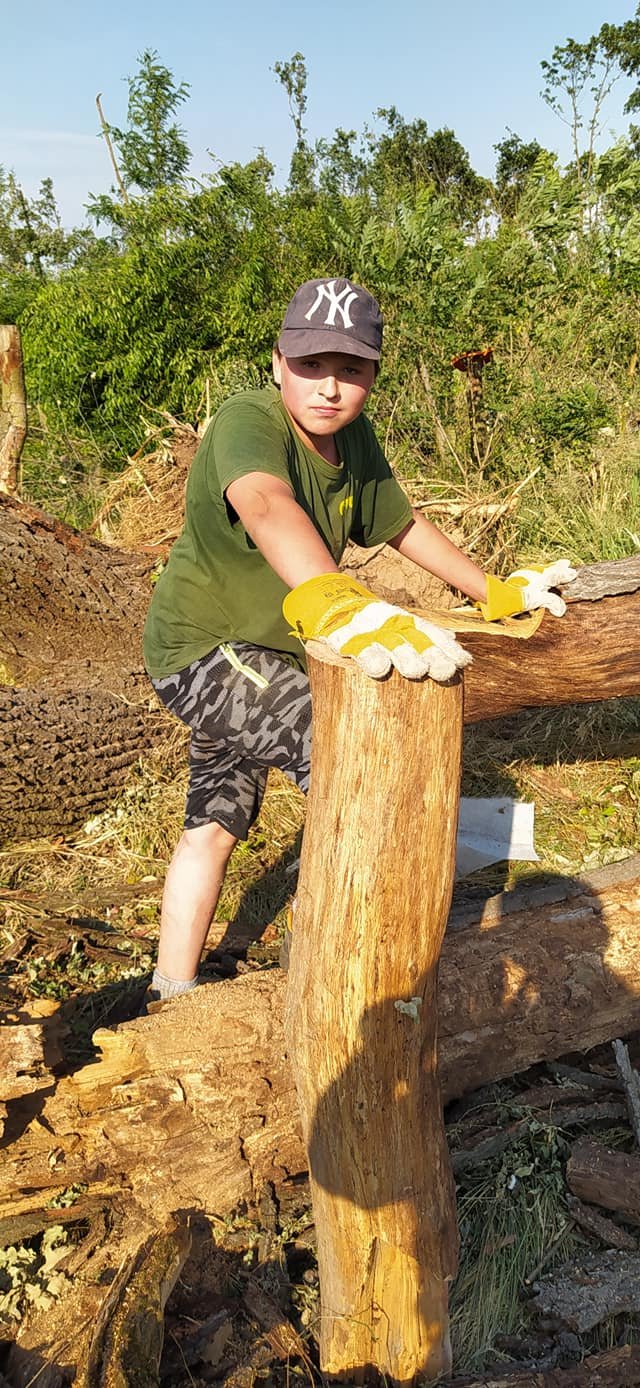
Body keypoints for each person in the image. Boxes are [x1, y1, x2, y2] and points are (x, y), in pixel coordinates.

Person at [142, 277, 574, 1006]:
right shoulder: (248, 420)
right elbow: (264, 500)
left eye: (351, 371)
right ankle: (352, 980)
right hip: (206, 649)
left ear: (373, 375)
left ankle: (170, 990)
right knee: (354, 758)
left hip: (270, 653)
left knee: (214, 823)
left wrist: (490, 590)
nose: (329, 389)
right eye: (311, 366)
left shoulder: (354, 441)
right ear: (278, 362)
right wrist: (331, 598)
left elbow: (402, 525)